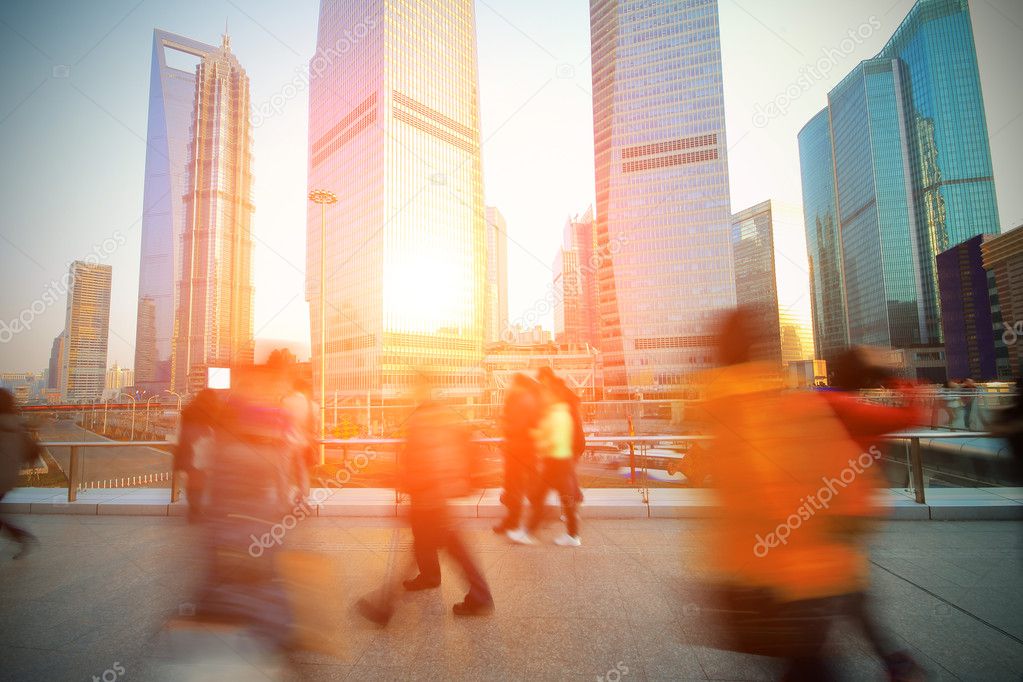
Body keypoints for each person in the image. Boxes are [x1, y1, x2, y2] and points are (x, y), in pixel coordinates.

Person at [697, 308, 868, 680]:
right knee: (808, 667)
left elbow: (751, 487)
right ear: (758, 347)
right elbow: (847, 479)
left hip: (756, 573)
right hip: (801, 575)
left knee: (806, 667)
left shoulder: (723, 408)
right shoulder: (782, 403)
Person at [823, 348, 927, 681]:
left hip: (815, 509)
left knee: (838, 588)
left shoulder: (820, 404)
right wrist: (890, 378)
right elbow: (914, 412)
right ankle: (894, 661)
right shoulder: (858, 411)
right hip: (850, 513)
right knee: (844, 588)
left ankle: (891, 660)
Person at [357, 373, 493, 623]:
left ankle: (385, 606)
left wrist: (410, 485)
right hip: (434, 495)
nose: (411, 390)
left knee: (442, 545)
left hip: (430, 496)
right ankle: (438, 582)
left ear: (423, 387)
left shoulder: (424, 417)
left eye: (414, 385)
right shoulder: (437, 413)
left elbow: (427, 460)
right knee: (438, 544)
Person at [516, 379, 580, 547]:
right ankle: (572, 535)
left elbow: (553, 440)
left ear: (553, 396)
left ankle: (529, 532)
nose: (544, 396)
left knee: (541, 497)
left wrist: (536, 440)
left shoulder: (556, 415)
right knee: (558, 498)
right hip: (560, 460)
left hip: (555, 461)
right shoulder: (561, 413)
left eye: (547, 394)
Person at [494, 373, 540, 537]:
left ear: (519, 384)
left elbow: (517, 426)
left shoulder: (521, 400)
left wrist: (505, 423)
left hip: (518, 449)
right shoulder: (524, 399)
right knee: (516, 485)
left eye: (512, 382)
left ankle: (514, 522)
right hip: (521, 448)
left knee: (514, 486)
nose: (509, 385)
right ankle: (514, 521)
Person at [0, 389, 38, 558]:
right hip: (8, 477)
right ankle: (20, 535)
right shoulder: (18, 425)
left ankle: (20, 535)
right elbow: (32, 450)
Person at [174, 389, 220, 522]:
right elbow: (215, 432)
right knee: (204, 482)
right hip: (205, 452)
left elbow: (181, 433)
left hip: (189, 452)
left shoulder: (188, 411)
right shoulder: (213, 410)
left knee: (193, 482)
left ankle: (194, 510)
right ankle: (200, 510)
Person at [282, 378, 317, 502]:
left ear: (294, 388)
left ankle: (284, 501)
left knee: (284, 473)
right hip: (304, 444)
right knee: (303, 473)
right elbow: (315, 427)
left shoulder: (285, 402)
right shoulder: (313, 406)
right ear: (305, 389)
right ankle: (303, 499)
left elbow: (280, 422)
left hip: (287, 443)